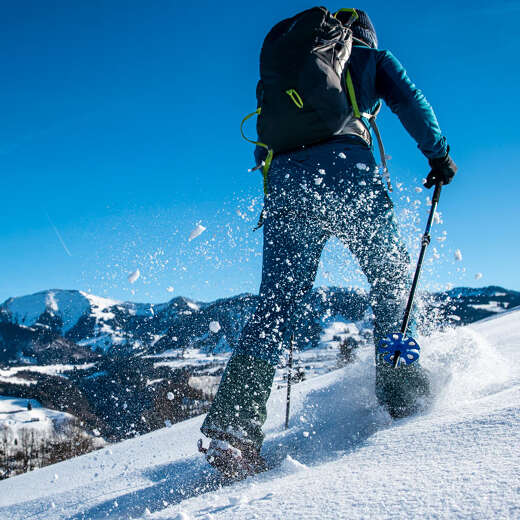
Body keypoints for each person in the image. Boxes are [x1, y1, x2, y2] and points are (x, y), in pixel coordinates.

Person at [199, 8, 457, 475]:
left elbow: (265, 142)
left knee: (275, 303)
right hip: (347, 174)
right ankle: (402, 394)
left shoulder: (290, 73)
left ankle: (234, 431)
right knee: (390, 279)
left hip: (285, 182)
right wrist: (439, 156)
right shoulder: (370, 57)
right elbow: (410, 101)